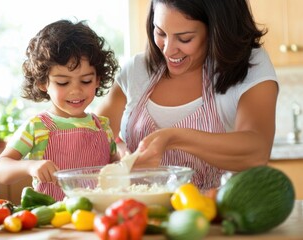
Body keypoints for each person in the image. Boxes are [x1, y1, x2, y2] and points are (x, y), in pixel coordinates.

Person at [96, 0, 278, 190]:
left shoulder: (249, 65)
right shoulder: (136, 69)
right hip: (137, 214)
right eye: (160, 32)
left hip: (212, 215)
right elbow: (95, 135)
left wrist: (173, 137)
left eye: (184, 38)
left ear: (217, 31)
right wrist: (120, 152)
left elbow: (257, 152)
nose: (168, 49)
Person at [0, 19, 119, 200]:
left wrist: (126, 160)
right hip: (52, 219)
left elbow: (116, 167)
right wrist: (30, 166)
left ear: (98, 79)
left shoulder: (103, 127)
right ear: (43, 82)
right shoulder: (38, 127)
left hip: (94, 219)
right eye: (63, 82)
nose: (76, 90)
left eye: (86, 80)